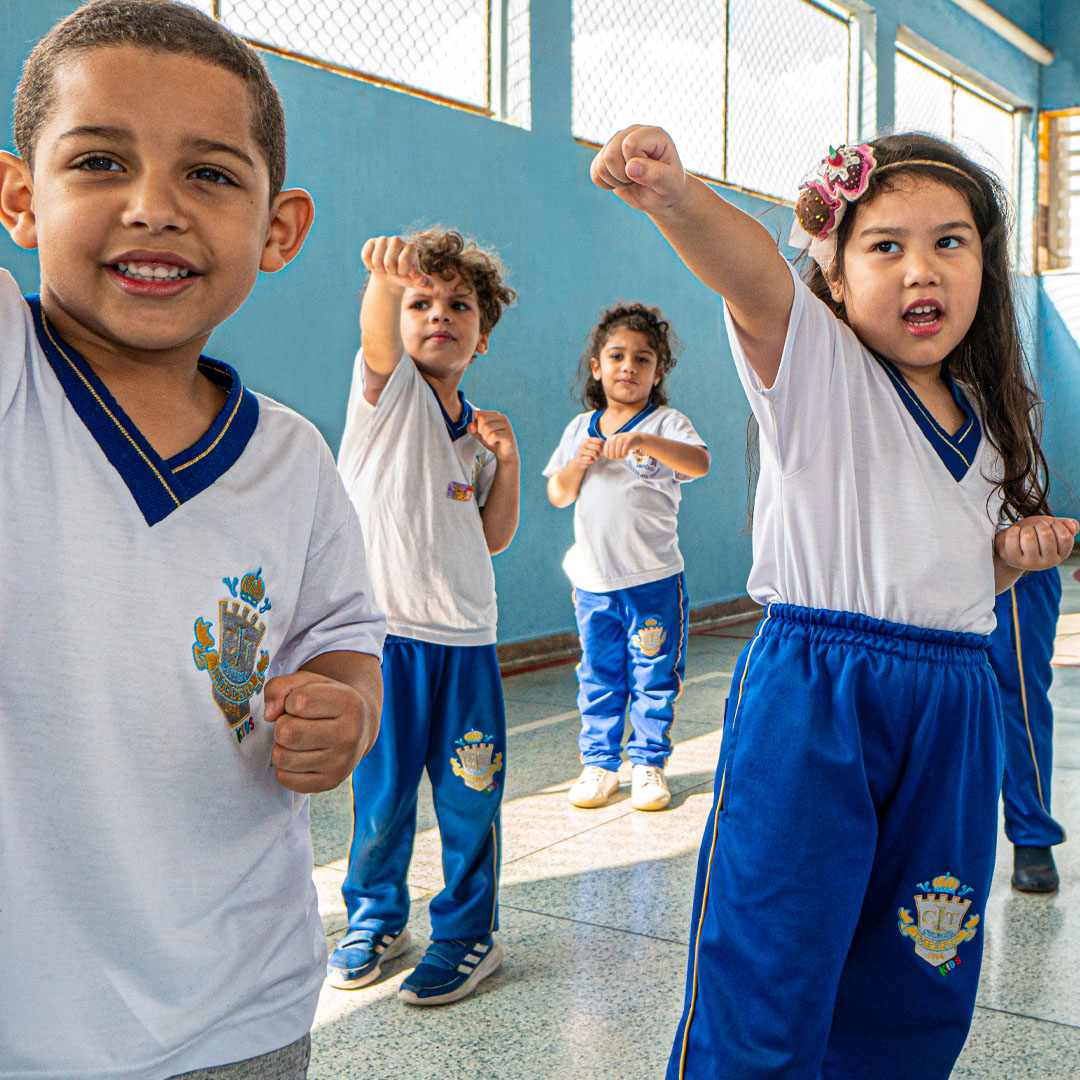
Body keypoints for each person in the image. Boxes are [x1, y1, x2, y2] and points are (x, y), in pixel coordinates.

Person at [590, 127, 1078, 1079]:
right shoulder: (818, 370)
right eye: (885, 245)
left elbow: (943, 576)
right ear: (838, 277)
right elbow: (753, 277)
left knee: (923, 963)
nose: (921, 269)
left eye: (951, 241)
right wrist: (678, 198)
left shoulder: (988, 423)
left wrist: (1010, 565)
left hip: (953, 705)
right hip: (818, 696)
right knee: (772, 955)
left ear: (986, 267)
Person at [0, 3, 385, 1078]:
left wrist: (346, 708)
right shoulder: (15, 376)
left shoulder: (294, 460)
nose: (152, 208)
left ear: (279, 228)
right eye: (99, 162)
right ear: (19, 199)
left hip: (240, 1012)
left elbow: (345, 629)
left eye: (209, 175)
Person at [331, 228, 519, 1005]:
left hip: (467, 644)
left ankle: (471, 932)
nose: (438, 314)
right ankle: (376, 917)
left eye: (458, 304)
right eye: (422, 302)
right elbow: (378, 335)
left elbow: (493, 537)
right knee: (382, 799)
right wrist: (385, 279)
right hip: (388, 643)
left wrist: (504, 462)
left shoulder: (476, 433)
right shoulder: (390, 393)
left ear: (482, 334)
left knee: (472, 799)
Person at [544, 303, 710, 811]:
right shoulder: (581, 428)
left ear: (658, 371)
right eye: (617, 356)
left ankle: (647, 765)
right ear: (597, 366)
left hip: (654, 580)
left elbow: (699, 463)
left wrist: (645, 441)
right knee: (599, 671)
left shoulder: (666, 423)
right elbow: (558, 494)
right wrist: (578, 463)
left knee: (653, 673)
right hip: (594, 582)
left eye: (643, 359)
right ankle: (598, 764)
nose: (628, 367)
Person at [988, 567, 1067, 892]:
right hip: (931, 565)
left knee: (1019, 705)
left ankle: (1031, 833)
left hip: (1016, 571)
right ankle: (948, 838)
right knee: (941, 704)